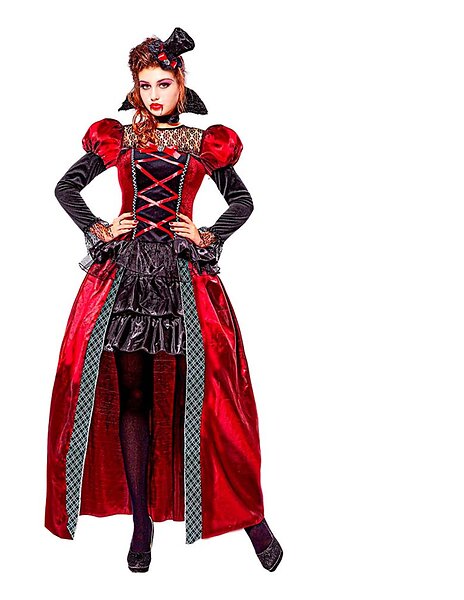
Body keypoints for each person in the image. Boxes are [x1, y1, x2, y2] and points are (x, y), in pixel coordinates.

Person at [45, 27, 283, 573]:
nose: (154, 95)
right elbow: (65, 188)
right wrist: (98, 227)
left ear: (181, 84)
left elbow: (243, 201)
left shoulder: (204, 144)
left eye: (164, 84)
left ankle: (251, 519)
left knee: (210, 398)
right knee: (133, 398)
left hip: (181, 280)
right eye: (145, 85)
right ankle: (140, 524)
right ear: (136, 88)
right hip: (125, 279)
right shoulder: (120, 139)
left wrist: (209, 234)